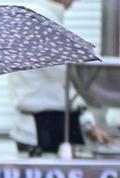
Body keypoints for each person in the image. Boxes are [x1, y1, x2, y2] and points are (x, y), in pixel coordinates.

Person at [8, 0, 113, 155]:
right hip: (45, 130)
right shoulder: (38, 19)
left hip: (46, 127)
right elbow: (71, 76)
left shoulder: (41, 16)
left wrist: (86, 124)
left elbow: (62, 83)